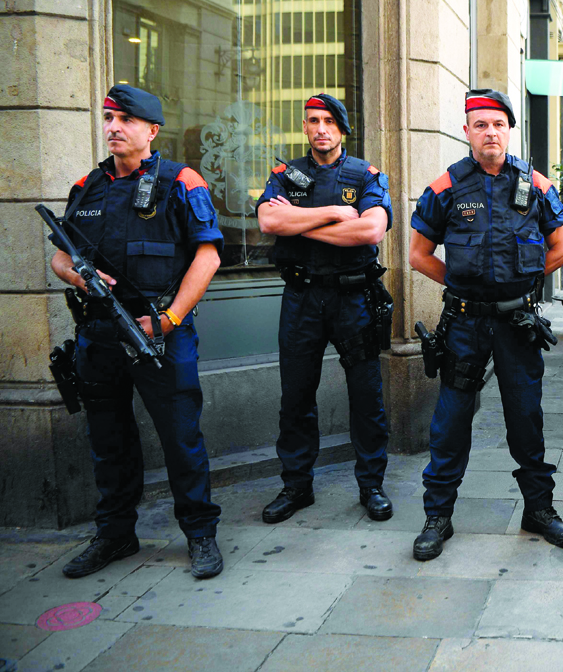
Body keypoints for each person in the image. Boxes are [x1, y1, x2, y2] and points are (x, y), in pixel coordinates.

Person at [50, 84, 224, 579]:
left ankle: (200, 534)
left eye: (124, 120)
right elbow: (61, 255)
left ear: (151, 130)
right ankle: (115, 534)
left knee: (181, 438)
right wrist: (76, 274)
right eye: (108, 118)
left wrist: (168, 319)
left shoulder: (181, 182)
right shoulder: (87, 186)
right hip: (99, 335)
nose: (113, 128)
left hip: (159, 335)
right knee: (108, 440)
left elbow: (208, 257)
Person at [408, 89, 563, 561]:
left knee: (526, 417)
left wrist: (516, 287)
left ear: (509, 130)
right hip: (463, 325)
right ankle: (437, 516)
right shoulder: (446, 187)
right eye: (480, 125)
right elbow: (418, 256)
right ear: (467, 132)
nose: (490, 133)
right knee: (452, 420)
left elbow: (561, 250)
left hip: (516, 323)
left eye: (498, 124)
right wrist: (465, 287)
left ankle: (538, 510)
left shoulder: (536, 186)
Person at [256, 93, 395, 524]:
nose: (320, 128)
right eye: (313, 121)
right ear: (304, 127)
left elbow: (371, 231)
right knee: (296, 396)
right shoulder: (287, 174)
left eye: (329, 121)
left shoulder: (366, 175)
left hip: (354, 299)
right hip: (301, 299)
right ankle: (297, 486)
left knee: (366, 395)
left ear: (342, 129)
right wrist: (336, 213)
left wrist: (299, 226)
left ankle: (371, 485)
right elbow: (268, 222)